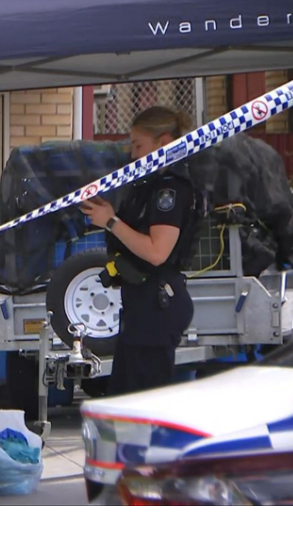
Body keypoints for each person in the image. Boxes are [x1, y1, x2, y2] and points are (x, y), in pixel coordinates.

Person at [79, 106, 197, 395]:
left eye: (138, 145)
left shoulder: (170, 191)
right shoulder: (149, 186)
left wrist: (111, 222)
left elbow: (157, 252)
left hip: (157, 307)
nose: (133, 155)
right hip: (141, 305)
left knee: (142, 400)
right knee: (123, 395)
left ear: (164, 142)